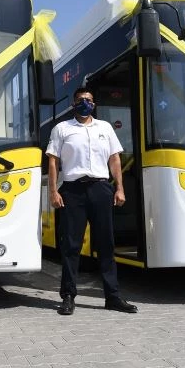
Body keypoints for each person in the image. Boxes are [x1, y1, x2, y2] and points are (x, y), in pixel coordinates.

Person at [46, 87, 138, 315]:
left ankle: (113, 297)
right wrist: (53, 192)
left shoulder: (105, 128)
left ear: (94, 104)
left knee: (106, 244)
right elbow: (53, 162)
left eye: (88, 100)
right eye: (80, 100)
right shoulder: (62, 129)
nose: (84, 103)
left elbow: (114, 159)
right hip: (72, 191)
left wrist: (119, 188)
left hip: (100, 189)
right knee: (71, 246)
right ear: (73, 103)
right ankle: (68, 296)